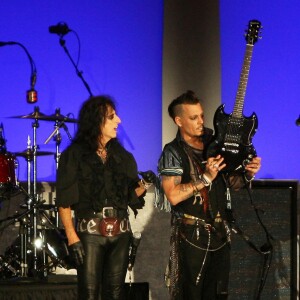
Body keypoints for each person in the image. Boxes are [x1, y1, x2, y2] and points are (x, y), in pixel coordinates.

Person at [155, 90, 261, 299]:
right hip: (192, 236)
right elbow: (173, 196)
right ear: (179, 121)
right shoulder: (173, 151)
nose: (201, 121)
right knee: (191, 294)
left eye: (202, 115)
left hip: (220, 233)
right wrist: (205, 178)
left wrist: (248, 173)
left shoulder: (215, 143)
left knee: (218, 294)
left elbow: (232, 182)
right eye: (193, 117)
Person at [56, 95, 156, 300]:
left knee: (116, 294)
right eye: (112, 117)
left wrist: (144, 184)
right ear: (96, 121)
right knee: (90, 293)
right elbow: (64, 200)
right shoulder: (74, 155)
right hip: (90, 233)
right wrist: (72, 236)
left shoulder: (123, 157)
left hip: (120, 233)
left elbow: (129, 197)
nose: (118, 120)